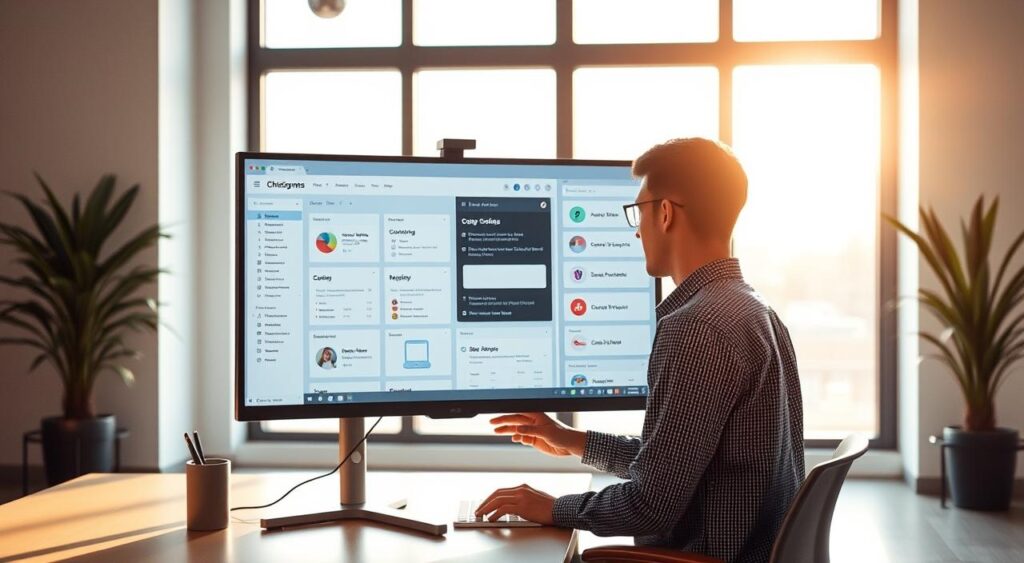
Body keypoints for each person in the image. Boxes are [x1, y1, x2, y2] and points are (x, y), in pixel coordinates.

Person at [476, 138, 805, 563]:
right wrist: (571, 440)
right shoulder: (753, 309)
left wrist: (552, 509)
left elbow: (650, 506)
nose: (635, 229)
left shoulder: (696, 328)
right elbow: (675, 462)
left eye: (638, 211)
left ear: (664, 213)